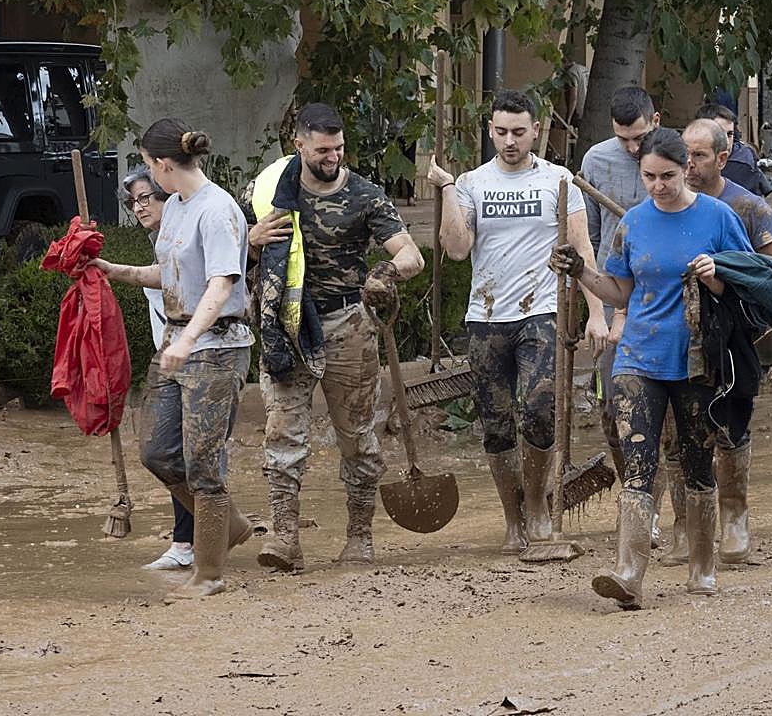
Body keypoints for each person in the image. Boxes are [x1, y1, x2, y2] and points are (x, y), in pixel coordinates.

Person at [552, 127, 754, 608]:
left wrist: (718, 277)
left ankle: (702, 566)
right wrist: (581, 272)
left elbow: (753, 284)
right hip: (638, 357)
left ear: (687, 169)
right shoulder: (634, 224)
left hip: (696, 361)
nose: (658, 186)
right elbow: (621, 292)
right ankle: (629, 573)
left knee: (696, 463)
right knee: (639, 467)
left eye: (667, 175)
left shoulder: (719, 217)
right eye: (649, 177)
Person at [247, 102, 424, 570]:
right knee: (282, 433)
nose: (333, 157)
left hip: (348, 326)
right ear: (298, 145)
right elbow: (228, 252)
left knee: (357, 435)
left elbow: (411, 255)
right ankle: (285, 538)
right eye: (323, 149)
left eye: (339, 148)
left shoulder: (365, 196)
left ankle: (360, 537)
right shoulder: (269, 194)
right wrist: (251, 238)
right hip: (285, 326)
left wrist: (386, 272)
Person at [429, 89, 606, 555]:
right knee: (495, 423)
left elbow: (581, 251)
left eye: (519, 132)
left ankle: (536, 506)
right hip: (486, 316)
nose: (510, 141)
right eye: (501, 132)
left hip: (541, 311)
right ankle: (513, 521)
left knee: (539, 410)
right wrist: (447, 188)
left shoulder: (557, 180)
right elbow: (457, 248)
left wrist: (597, 312)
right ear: (490, 130)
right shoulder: (471, 182)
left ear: (536, 131)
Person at [94, 120, 255, 600]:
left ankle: (209, 575)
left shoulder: (218, 210)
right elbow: (168, 273)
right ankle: (230, 525)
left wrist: (188, 340)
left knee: (204, 463)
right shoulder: (180, 209)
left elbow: (222, 283)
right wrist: (113, 271)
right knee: (158, 452)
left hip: (217, 347)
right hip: (177, 342)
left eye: (147, 167)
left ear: (164, 165)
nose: (148, 178)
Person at [680, 117, 772, 564]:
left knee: (730, 422)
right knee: (679, 430)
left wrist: (729, 276)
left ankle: (734, 515)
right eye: (683, 153)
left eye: (699, 155)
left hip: (732, 335)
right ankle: (685, 525)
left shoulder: (748, 208)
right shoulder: (663, 200)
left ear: (722, 159)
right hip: (676, 334)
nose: (688, 164)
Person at [578, 86, 677, 559]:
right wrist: (599, 314)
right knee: (614, 409)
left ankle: (673, 512)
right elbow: (590, 243)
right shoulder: (596, 162)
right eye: (624, 141)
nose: (634, 150)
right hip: (614, 298)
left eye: (640, 137)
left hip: (667, 303)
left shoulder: (673, 156)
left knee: (672, 416)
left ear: (655, 121)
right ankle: (639, 501)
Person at [120, 168, 195, 571]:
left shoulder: (187, 237)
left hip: (200, 357)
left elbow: (165, 278)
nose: (139, 206)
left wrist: (110, 270)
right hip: (169, 357)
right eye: (134, 201)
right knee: (167, 452)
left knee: (185, 452)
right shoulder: (161, 240)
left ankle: (194, 543)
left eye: (147, 197)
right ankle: (190, 541)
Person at [692, 103, 772, 197]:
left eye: (730, 134)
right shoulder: (685, 158)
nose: (726, 141)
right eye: (719, 133)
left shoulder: (740, 163)